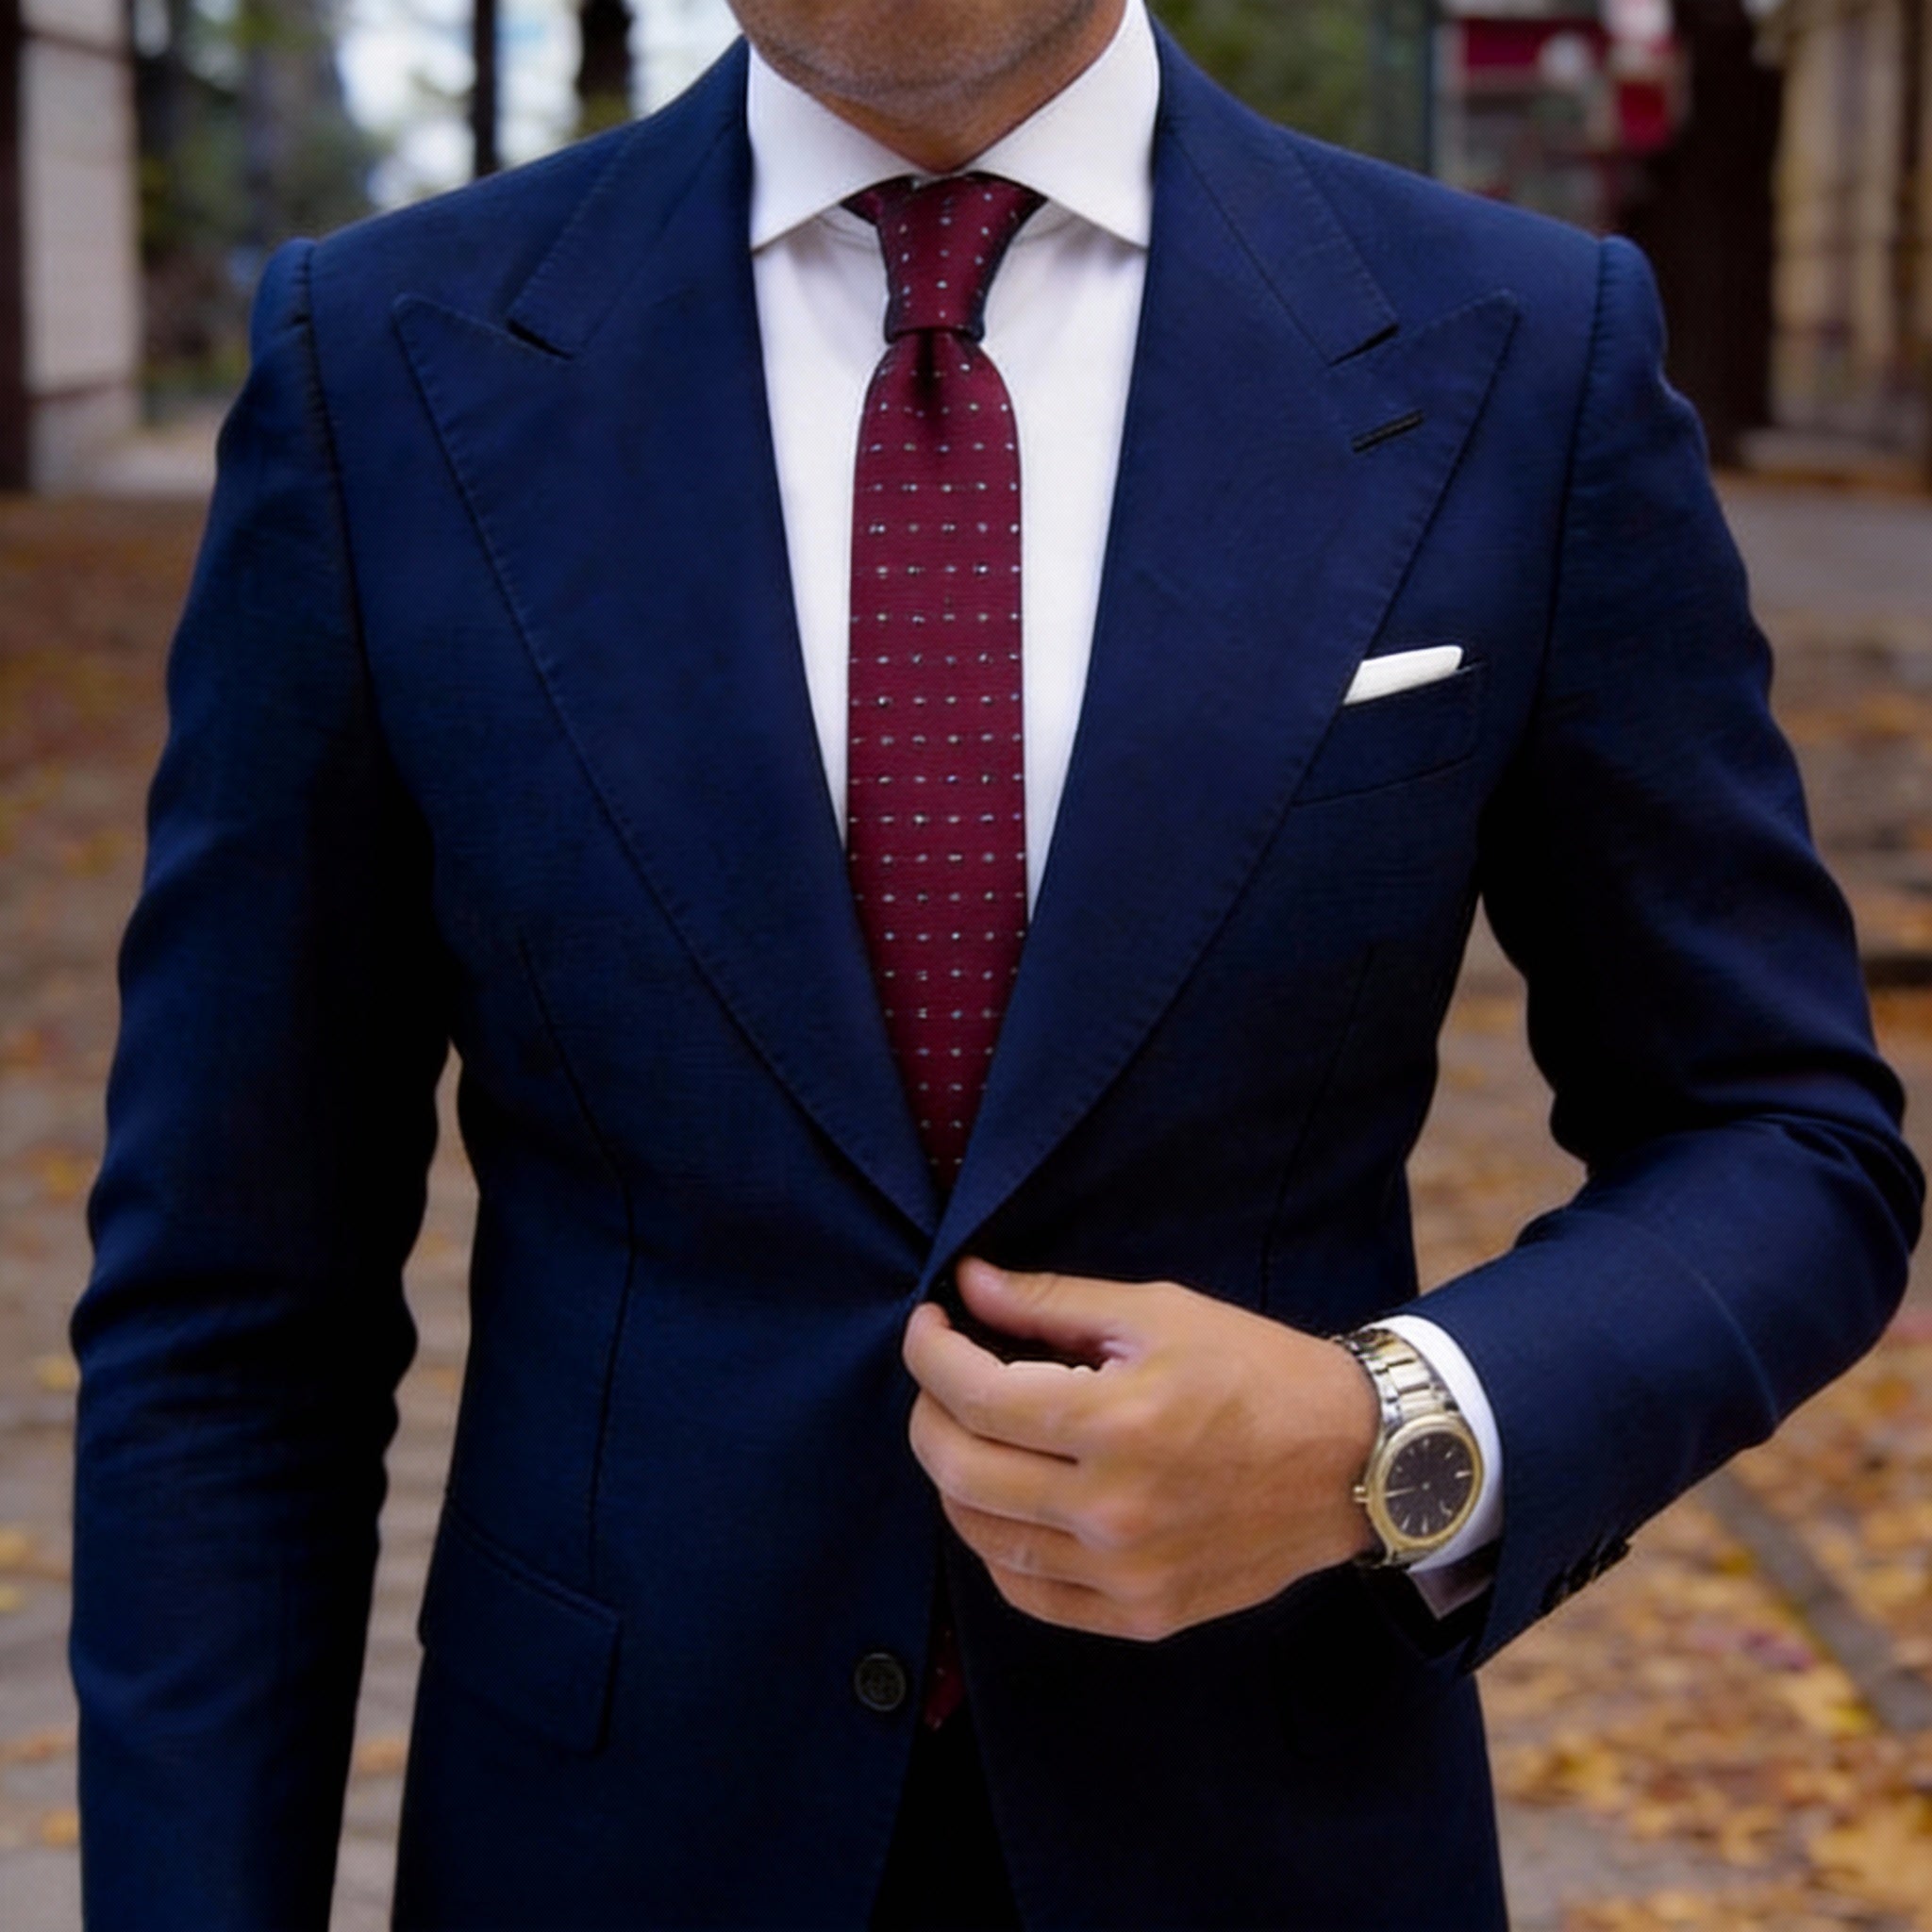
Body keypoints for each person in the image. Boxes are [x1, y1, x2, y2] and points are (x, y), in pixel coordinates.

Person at [68, 0, 1922, 1926]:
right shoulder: (380, 369)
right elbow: (228, 1312)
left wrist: (1387, 1434)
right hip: (607, 1843)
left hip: (1267, 1829)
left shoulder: (1520, 351)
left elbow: (1783, 1134)